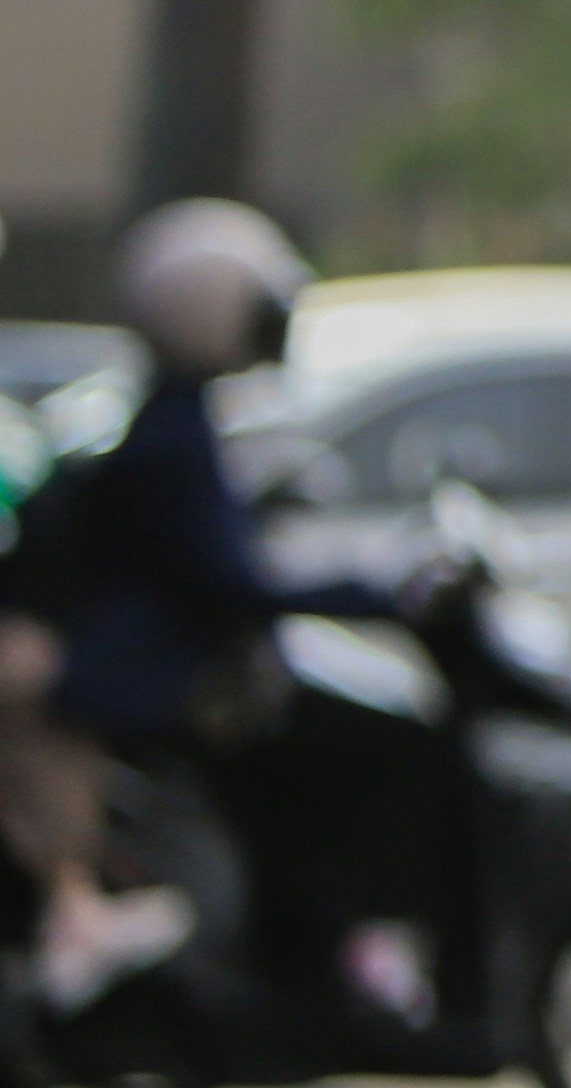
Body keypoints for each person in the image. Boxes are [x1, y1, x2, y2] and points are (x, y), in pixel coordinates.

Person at [9, 203, 439, 1025]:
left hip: (166, 674)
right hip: (156, 685)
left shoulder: (177, 422)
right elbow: (227, 578)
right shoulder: (170, 437)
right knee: (365, 745)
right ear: (212, 308)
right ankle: (338, 954)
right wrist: (373, 594)